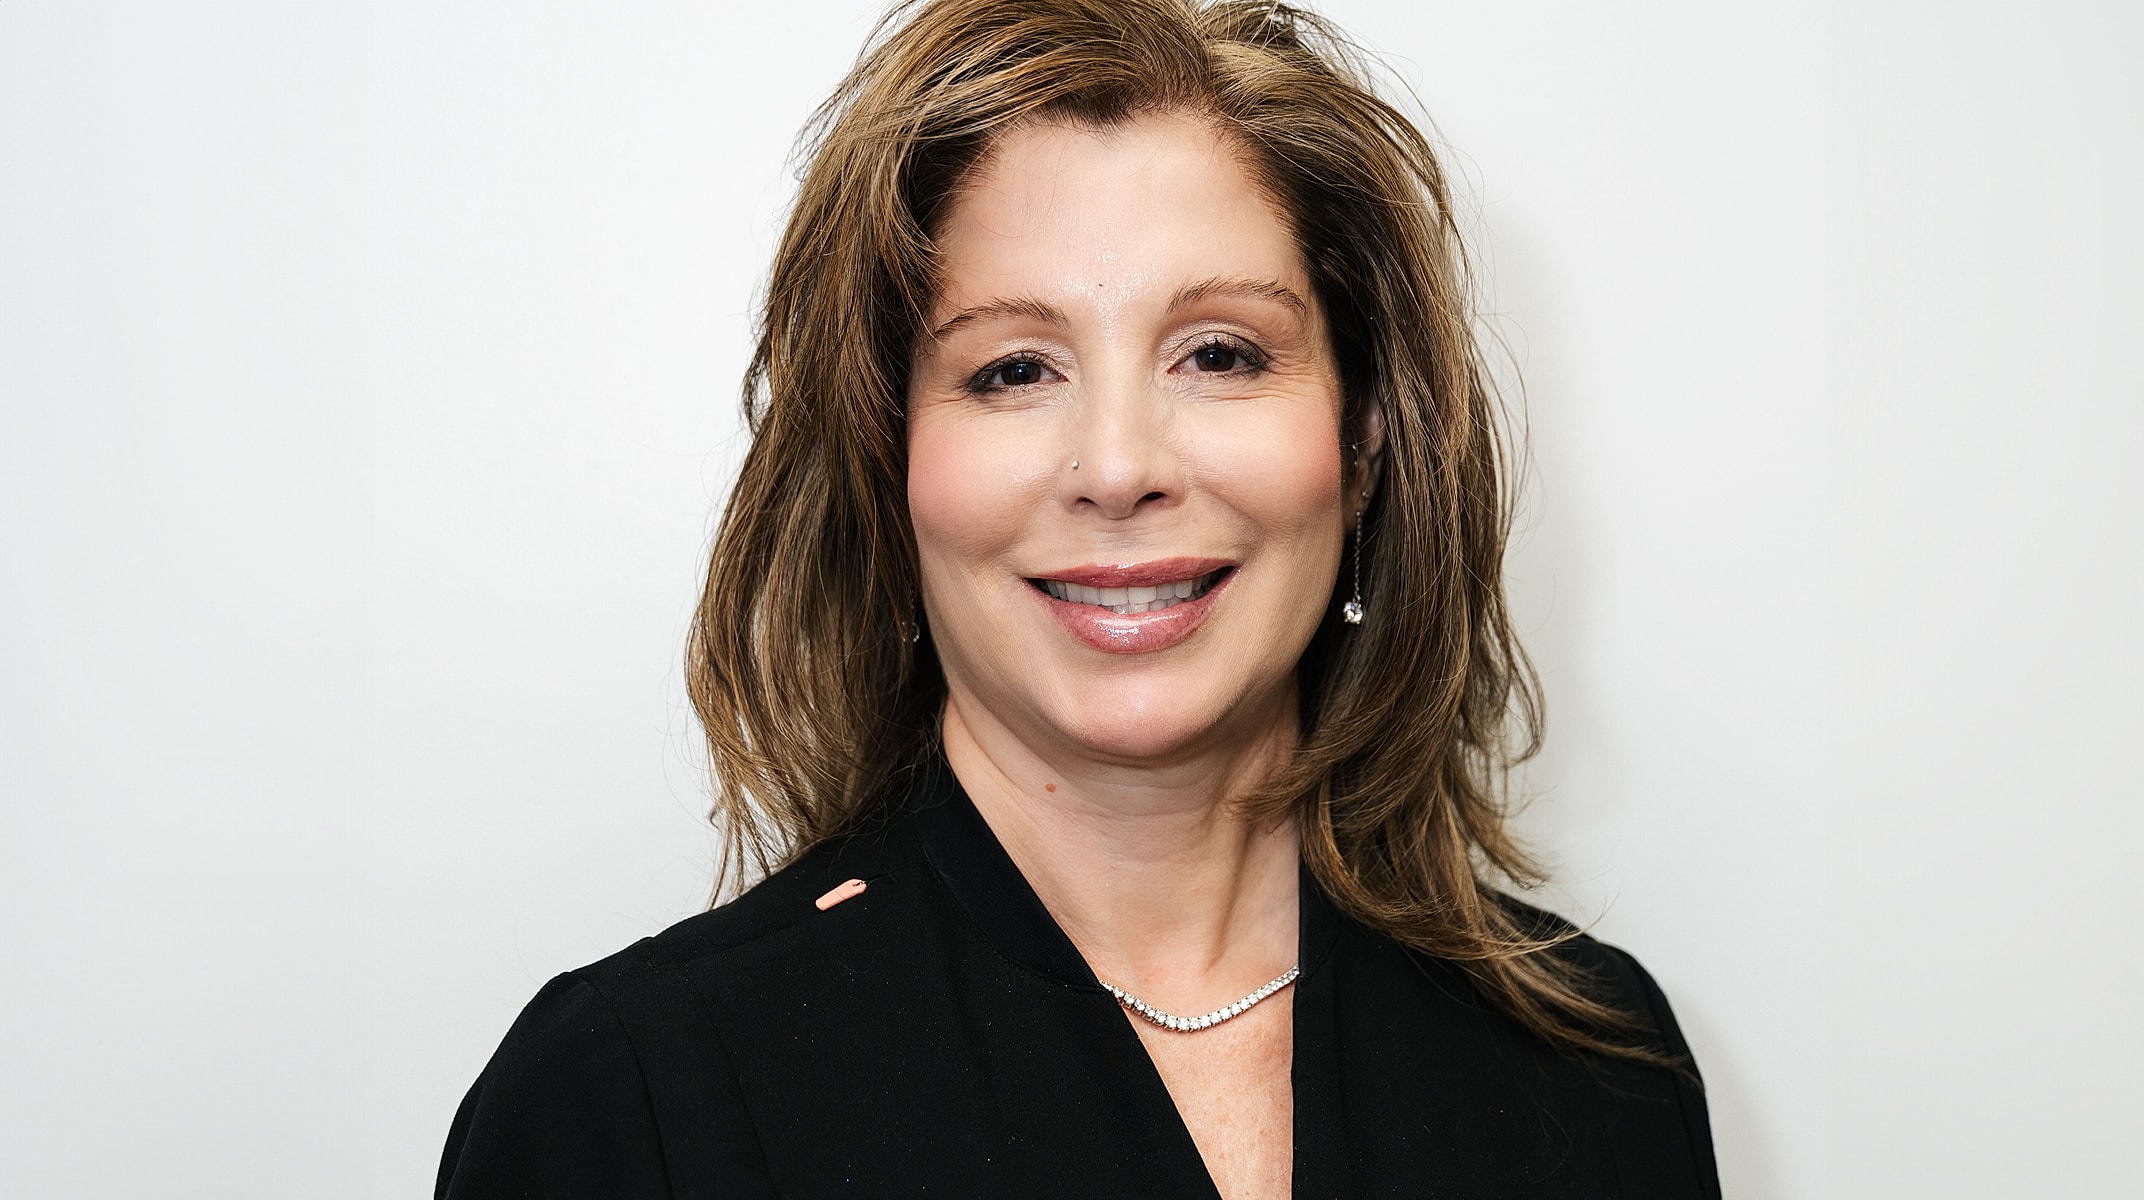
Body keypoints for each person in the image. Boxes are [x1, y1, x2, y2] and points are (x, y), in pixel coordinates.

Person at [436, 0, 1720, 1195]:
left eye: (1219, 353)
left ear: (1367, 439)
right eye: (1010, 371)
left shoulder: (1597, 1071)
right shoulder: (634, 1099)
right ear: (888, 462)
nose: (1117, 467)